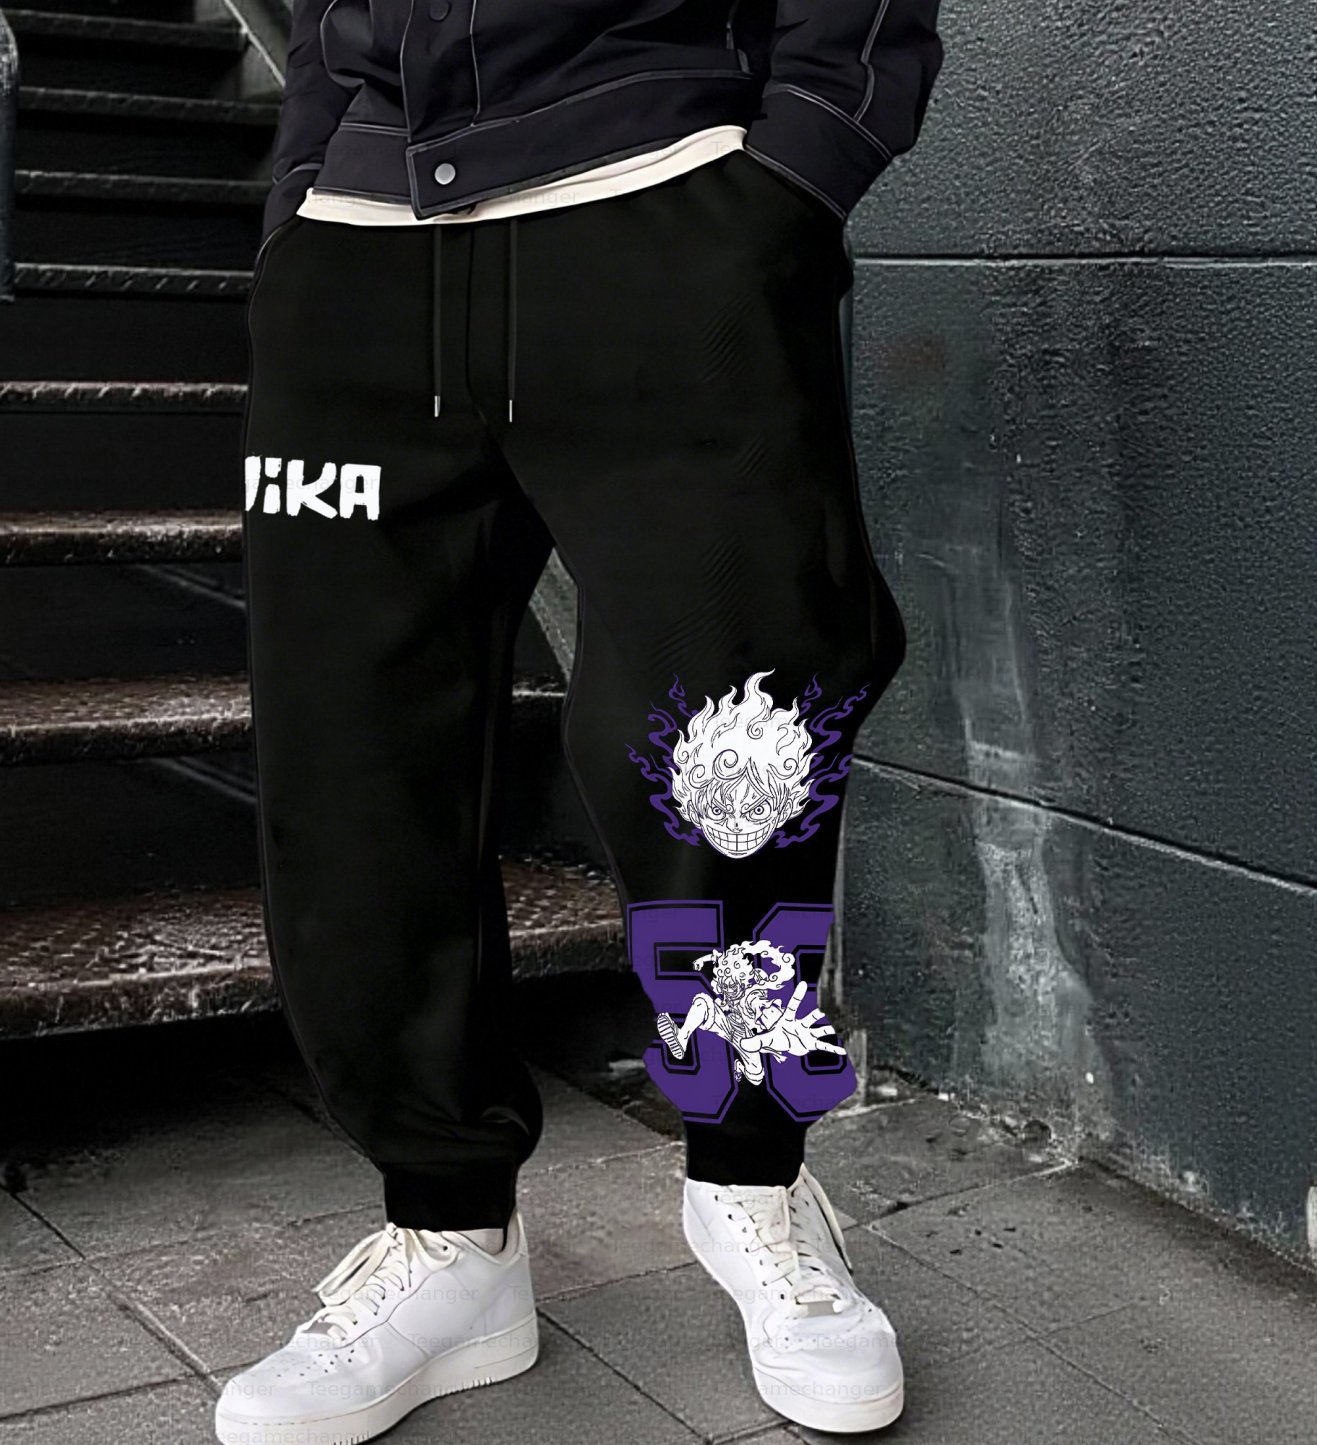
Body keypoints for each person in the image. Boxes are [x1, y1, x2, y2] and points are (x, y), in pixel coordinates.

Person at [219, 2, 943, 1439]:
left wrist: (795, 167)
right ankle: (446, 1232)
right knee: (354, 767)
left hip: (660, 208)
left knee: (732, 751)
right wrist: (303, 188)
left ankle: (753, 1180)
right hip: (359, 253)